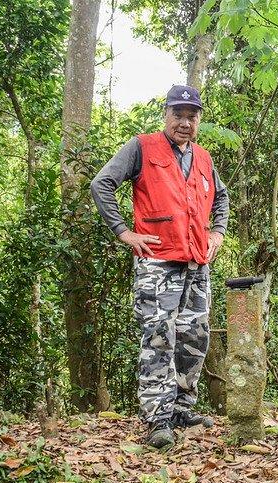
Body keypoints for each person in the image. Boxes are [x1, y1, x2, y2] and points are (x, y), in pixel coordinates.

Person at [90, 85, 229, 449]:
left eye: (192, 116)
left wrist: (217, 233)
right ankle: (157, 419)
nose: (185, 122)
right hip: (157, 263)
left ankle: (183, 408)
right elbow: (102, 184)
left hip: (197, 262)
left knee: (193, 338)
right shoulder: (141, 147)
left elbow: (221, 197)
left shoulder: (203, 157)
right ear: (166, 114)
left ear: (199, 119)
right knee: (158, 340)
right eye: (178, 115)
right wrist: (124, 232)